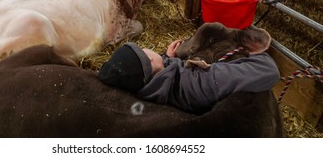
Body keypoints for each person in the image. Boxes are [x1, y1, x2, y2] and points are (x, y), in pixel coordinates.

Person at [97, 40, 280, 114]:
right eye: (143, 49)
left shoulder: (149, 85)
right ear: (152, 61)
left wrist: (169, 58)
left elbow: (159, 75)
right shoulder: (200, 82)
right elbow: (269, 71)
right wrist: (243, 46)